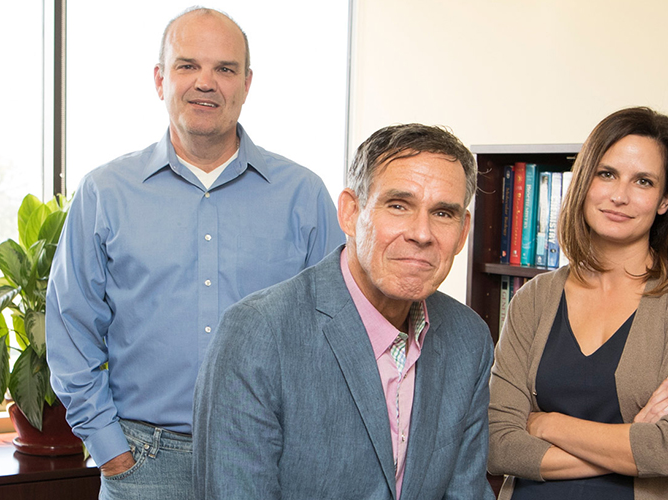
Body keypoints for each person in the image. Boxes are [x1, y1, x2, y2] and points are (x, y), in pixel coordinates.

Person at [45, 7, 343, 499]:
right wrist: (108, 447)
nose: (206, 82)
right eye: (187, 66)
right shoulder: (104, 192)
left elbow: (336, 333)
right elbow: (70, 326)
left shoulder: (303, 195)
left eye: (224, 69)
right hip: (144, 463)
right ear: (160, 79)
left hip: (271, 459)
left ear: (247, 84)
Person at [194, 123, 495, 500]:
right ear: (351, 212)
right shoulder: (258, 333)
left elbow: (465, 493)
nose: (422, 233)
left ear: (464, 230)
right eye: (399, 205)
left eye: (443, 213)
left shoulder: (469, 338)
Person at [488, 107, 668, 499]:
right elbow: (499, 444)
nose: (620, 195)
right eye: (607, 174)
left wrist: (545, 424)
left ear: (665, 200)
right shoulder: (534, 298)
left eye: (643, 182)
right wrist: (630, 442)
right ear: (584, 182)